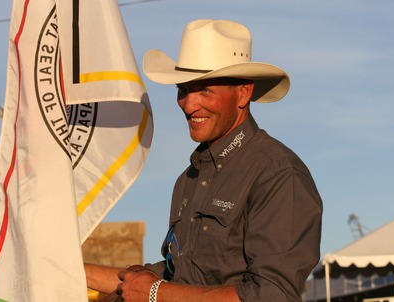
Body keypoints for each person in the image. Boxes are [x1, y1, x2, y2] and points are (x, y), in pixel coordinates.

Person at [85, 19, 322, 302]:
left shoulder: (277, 174)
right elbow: (176, 275)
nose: (189, 104)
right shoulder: (189, 179)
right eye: (183, 90)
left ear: (243, 93)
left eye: (204, 90)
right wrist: (67, 267)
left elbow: (272, 295)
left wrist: (155, 294)